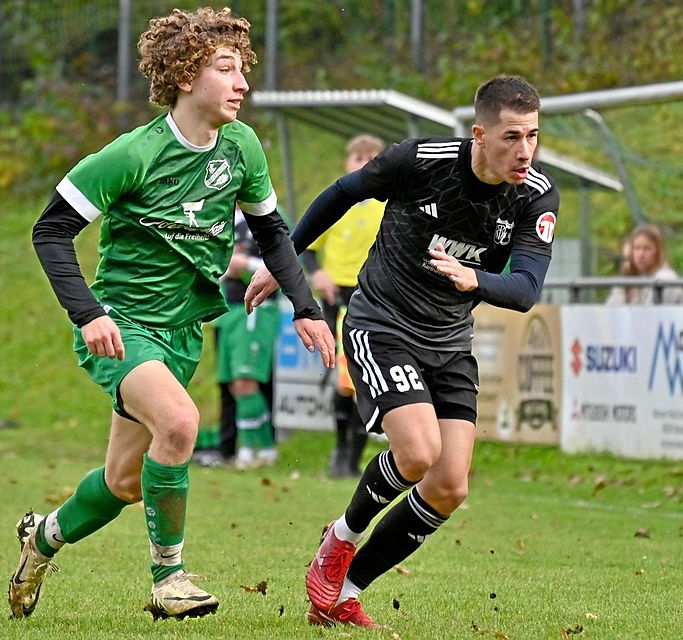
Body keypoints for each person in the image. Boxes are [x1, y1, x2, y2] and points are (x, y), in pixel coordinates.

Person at [11, 7, 334, 621]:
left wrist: (306, 308)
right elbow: (50, 232)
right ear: (187, 76)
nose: (241, 82)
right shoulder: (133, 154)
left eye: (243, 70)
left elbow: (272, 234)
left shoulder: (240, 147)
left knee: (123, 484)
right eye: (225, 68)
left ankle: (42, 536)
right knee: (182, 426)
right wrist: (88, 314)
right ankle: (170, 578)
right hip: (122, 328)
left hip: (184, 333)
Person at [246, 74, 560, 629]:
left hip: (449, 342)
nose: (525, 151)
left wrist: (474, 280)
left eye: (533, 136)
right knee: (416, 454)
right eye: (512, 137)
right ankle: (338, 541)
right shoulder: (419, 161)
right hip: (382, 324)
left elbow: (527, 288)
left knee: (449, 485)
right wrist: (284, 259)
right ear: (480, 133)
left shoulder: (535, 194)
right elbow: (343, 193)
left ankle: (344, 590)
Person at [301, 133, 386, 478]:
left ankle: (352, 458)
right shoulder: (336, 203)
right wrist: (317, 273)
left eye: (371, 158)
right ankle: (341, 452)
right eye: (357, 158)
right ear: (346, 163)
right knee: (344, 377)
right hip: (337, 297)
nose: (363, 165)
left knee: (362, 378)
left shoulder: (390, 205)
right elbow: (306, 245)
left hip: (373, 298)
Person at [215, 209, 282, 469]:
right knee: (234, 384)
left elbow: (284, 261)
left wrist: (246, 265)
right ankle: (265, 449)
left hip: (256, 307)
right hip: (228, 309)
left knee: (246, 381)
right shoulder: (216, 217)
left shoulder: (267, 216)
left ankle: (249, 450)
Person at [624, 222, 683, 304]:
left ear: (658, 252)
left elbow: (651, 314)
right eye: (637, 248)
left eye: (647, 249)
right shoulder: (638, 277)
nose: (640, 255)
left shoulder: (665, 278)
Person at [605, 234, 637, 304]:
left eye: (631, 259)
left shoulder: (651, 286)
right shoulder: (620, 286)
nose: (627, 265)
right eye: (625, 260)